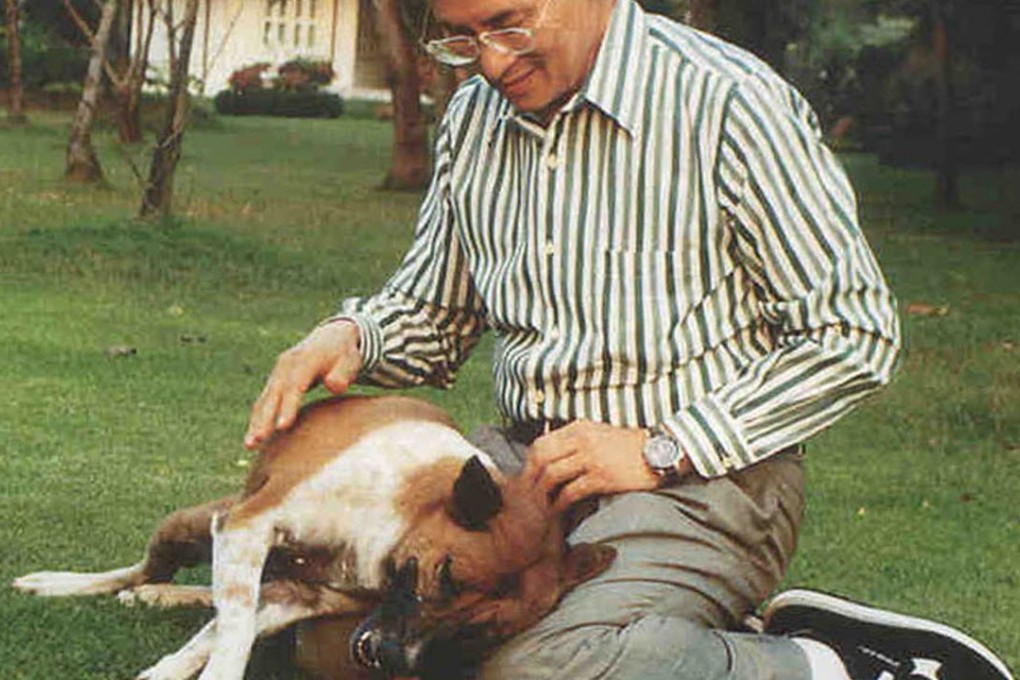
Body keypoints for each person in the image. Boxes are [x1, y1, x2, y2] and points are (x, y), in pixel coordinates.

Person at [245, 0, 1014, 678]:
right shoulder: (477, 119)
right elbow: (435, 317)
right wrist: (352, 335)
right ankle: (653, 637)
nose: (490, 61)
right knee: (315, 631)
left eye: (509, 23)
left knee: (537, 666)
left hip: (709, 481)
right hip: (519, 475)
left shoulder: (728, 102)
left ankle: (833, 665)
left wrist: (660, 448)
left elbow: (855, 331)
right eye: (462, 36)